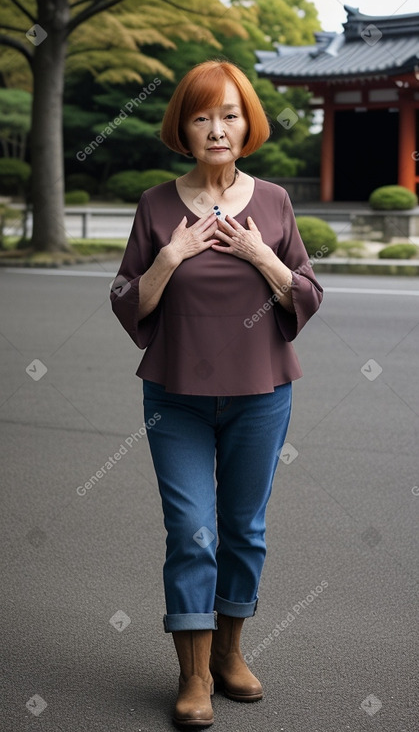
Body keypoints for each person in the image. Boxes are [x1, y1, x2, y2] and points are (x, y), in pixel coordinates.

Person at [110, 59, 323, 728]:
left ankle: (230, 654)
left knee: (244, 530)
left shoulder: (275, 203)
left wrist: (262, 257)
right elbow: (126, 302)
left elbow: (307, 296)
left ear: (247, 123)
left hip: (261, 394)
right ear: (183, 126)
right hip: (175, 397)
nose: (216, 128)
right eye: (201, 116)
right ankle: (194, 676)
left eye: (228, 114)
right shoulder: (154, 205)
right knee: (190, 531)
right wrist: (168, 258)